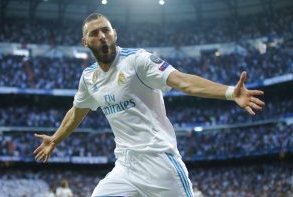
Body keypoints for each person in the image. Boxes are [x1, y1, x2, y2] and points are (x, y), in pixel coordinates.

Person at [34, 13, 265, 197]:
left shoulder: (138, 61)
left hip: (160, 163)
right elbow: (77, 112)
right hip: (125, 165)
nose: (102, 36)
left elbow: (183, 81)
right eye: (95, 33)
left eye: (106, 30)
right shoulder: (88, 77)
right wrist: (55, 139)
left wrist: (228, 93)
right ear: (85, 42)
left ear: (115, 33)